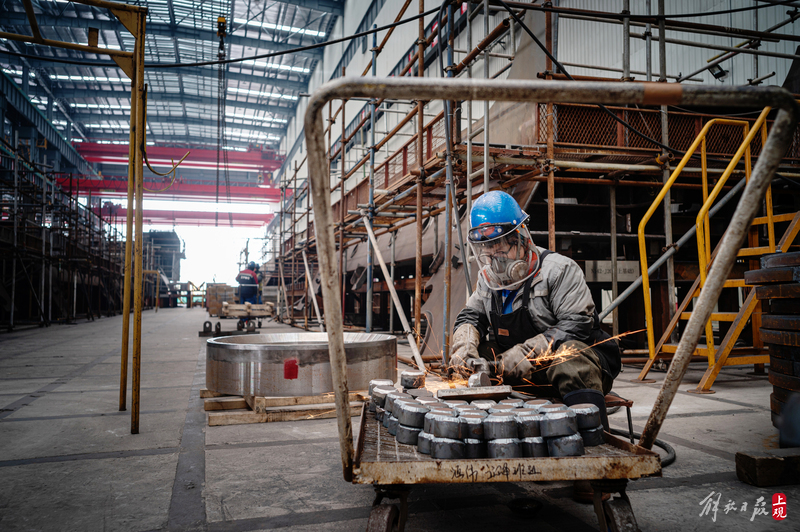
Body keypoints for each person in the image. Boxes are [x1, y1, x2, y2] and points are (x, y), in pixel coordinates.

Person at [450, 190, 621, 428]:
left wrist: (519, 356)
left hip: (573, 366)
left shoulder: (558, 270)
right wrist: (463, 352)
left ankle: (592, 435)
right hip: (517, 370)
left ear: (521, 238)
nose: (494, 262)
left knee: (570, 357)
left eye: (500, 251)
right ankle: (490, 428)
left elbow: (575, 326)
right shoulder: (488, 280)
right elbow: (471, 316)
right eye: (487, 254)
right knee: (478, 354)